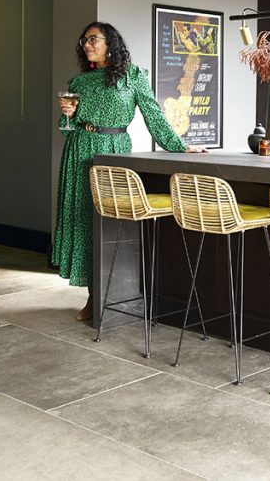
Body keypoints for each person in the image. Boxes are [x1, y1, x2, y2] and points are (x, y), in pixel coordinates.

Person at [54, 21, 207, 321]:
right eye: (83, 40)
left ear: (111, 42)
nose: (86, 44)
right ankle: (92, 296)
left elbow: (153, 115)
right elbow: (66, 130)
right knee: (83, 222)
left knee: (109, 223)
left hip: (114, 150)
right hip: (79, 151)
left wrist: (178, 146)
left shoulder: (134, 77)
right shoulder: (79, 82)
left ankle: (113, 294)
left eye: (93, 39)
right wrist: (68, 116)